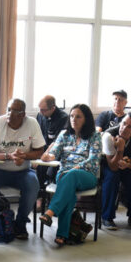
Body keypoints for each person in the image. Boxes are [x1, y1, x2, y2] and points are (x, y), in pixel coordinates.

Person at [0, 99, 46, 241]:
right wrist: (9, 156)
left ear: (23, 114)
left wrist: (24, 156)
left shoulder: (32, 124)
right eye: (8, 109)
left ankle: (20, 224)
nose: (10, 113)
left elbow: (39, 151)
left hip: (22, 171)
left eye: (15, 111)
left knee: (33, 184)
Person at [39, 104, 102, 247]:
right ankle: (62, 235)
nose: (74, 119)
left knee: (72, 175)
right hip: (64, 175)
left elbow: (93, 160)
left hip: (87, 175)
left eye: (78, 116)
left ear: (86, 119)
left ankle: (50, 212)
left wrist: (75, 168)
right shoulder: (64, 135)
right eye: (72, 116)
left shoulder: (95, 136)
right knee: (69, 193)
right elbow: (54, 154)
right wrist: (47, 157)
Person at [100, 113, 131, 231]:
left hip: (125, 163)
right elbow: (113, 166)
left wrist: (128, 164)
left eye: (129, 127)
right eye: (123, 123)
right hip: (108, 164)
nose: (124, 128)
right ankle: (107, 217)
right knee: (112, 177)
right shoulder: (108, 136)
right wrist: (120, 149)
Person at [36, 96, 69, 188]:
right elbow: (36, 134)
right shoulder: (40, 115)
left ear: (53, 108)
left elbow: (58, 142)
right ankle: (37, 196)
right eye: (39, 109)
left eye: (43, 110)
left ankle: (42, 195)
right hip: (41, 148)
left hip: (55, 152)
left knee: (43, 167)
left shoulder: (63, 118)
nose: (40, 112)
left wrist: (43, 155)